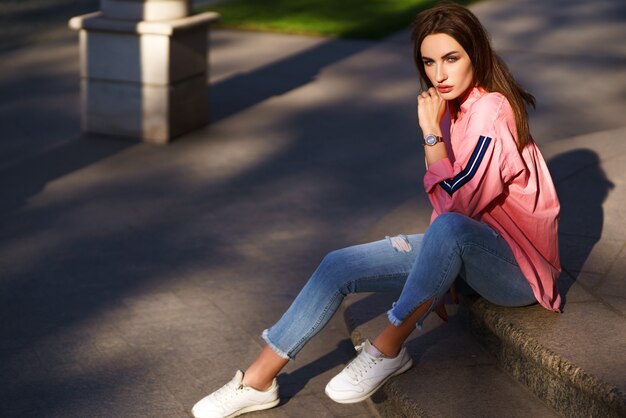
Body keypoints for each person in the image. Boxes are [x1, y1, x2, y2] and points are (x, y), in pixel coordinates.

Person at [191, 3, 561, 417]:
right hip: (465, 248)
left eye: (451, 59)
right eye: (429, 62)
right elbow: (447, 205)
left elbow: (456, 203)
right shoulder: (453, 110)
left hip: (519, 273)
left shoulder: (492, 110)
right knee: (337, 266)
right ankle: (257, 381)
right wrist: (434, 267)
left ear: (477, 53)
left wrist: (428, 134)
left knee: (451, 228)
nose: (439, 74)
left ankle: (388, 349)